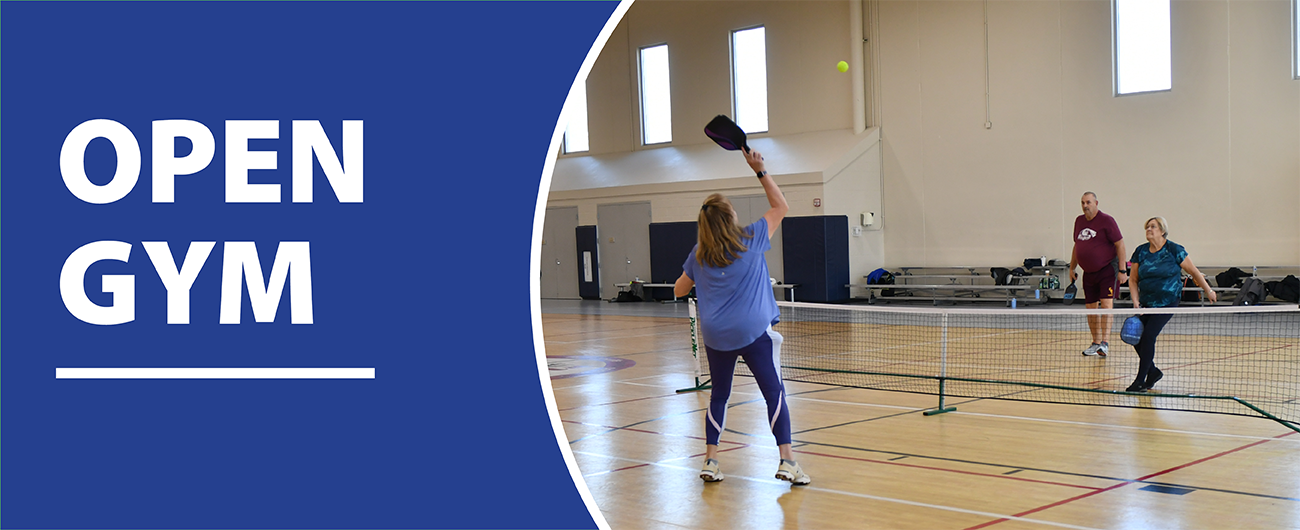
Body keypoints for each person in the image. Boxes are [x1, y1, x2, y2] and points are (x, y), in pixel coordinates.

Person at [673, 148, 810, 486]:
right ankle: (787, 460)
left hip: (716, 335)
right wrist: (759, 169)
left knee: (719, 394)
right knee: (774, 392)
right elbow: (781, 206)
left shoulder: (698, 254)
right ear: (730, 217)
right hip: (753, 332)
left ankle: (710, 461)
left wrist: (699, 277)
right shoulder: (751, 238)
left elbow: (678, 290)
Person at [1126, 217, 1217, 392]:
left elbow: (1193, 271)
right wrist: (1136, 302)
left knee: (1149, 336)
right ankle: (1153, 372)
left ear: (1162, 231)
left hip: (1167, 302)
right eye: (1147, 227)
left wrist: (1208, 290)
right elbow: (1133, 279)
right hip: (1146, 303)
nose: (1149, 229)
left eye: (1153, 227)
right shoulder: (1140, 251)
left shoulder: (1174, 250)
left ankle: (1140, 381)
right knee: (1136, 337)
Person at [1068, 192, 1127, 357]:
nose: (1085, 206)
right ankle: (1095, 343)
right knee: (1090, 308)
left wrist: (1122, 270)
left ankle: (1105, 343)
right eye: (1082, 203)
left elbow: (1120, 244)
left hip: (1107, 270)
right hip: (1088, 273)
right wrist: (1072, 268)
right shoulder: (1079, 221)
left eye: (1088, 202)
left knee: (1107, 305)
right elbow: (1077, 246)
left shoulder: (1107, 221)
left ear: (1096, 203)